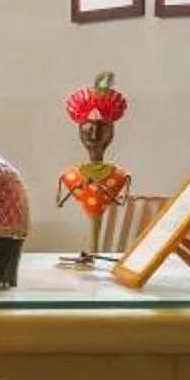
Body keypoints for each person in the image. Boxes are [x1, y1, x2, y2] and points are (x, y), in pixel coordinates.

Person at [56, 73, 132, 262]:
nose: (95, 134)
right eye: (88, 127)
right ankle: (94, 250)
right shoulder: (70, 176)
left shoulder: (119, 176)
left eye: (103, 127)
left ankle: (95, 250)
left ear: (112, 131)